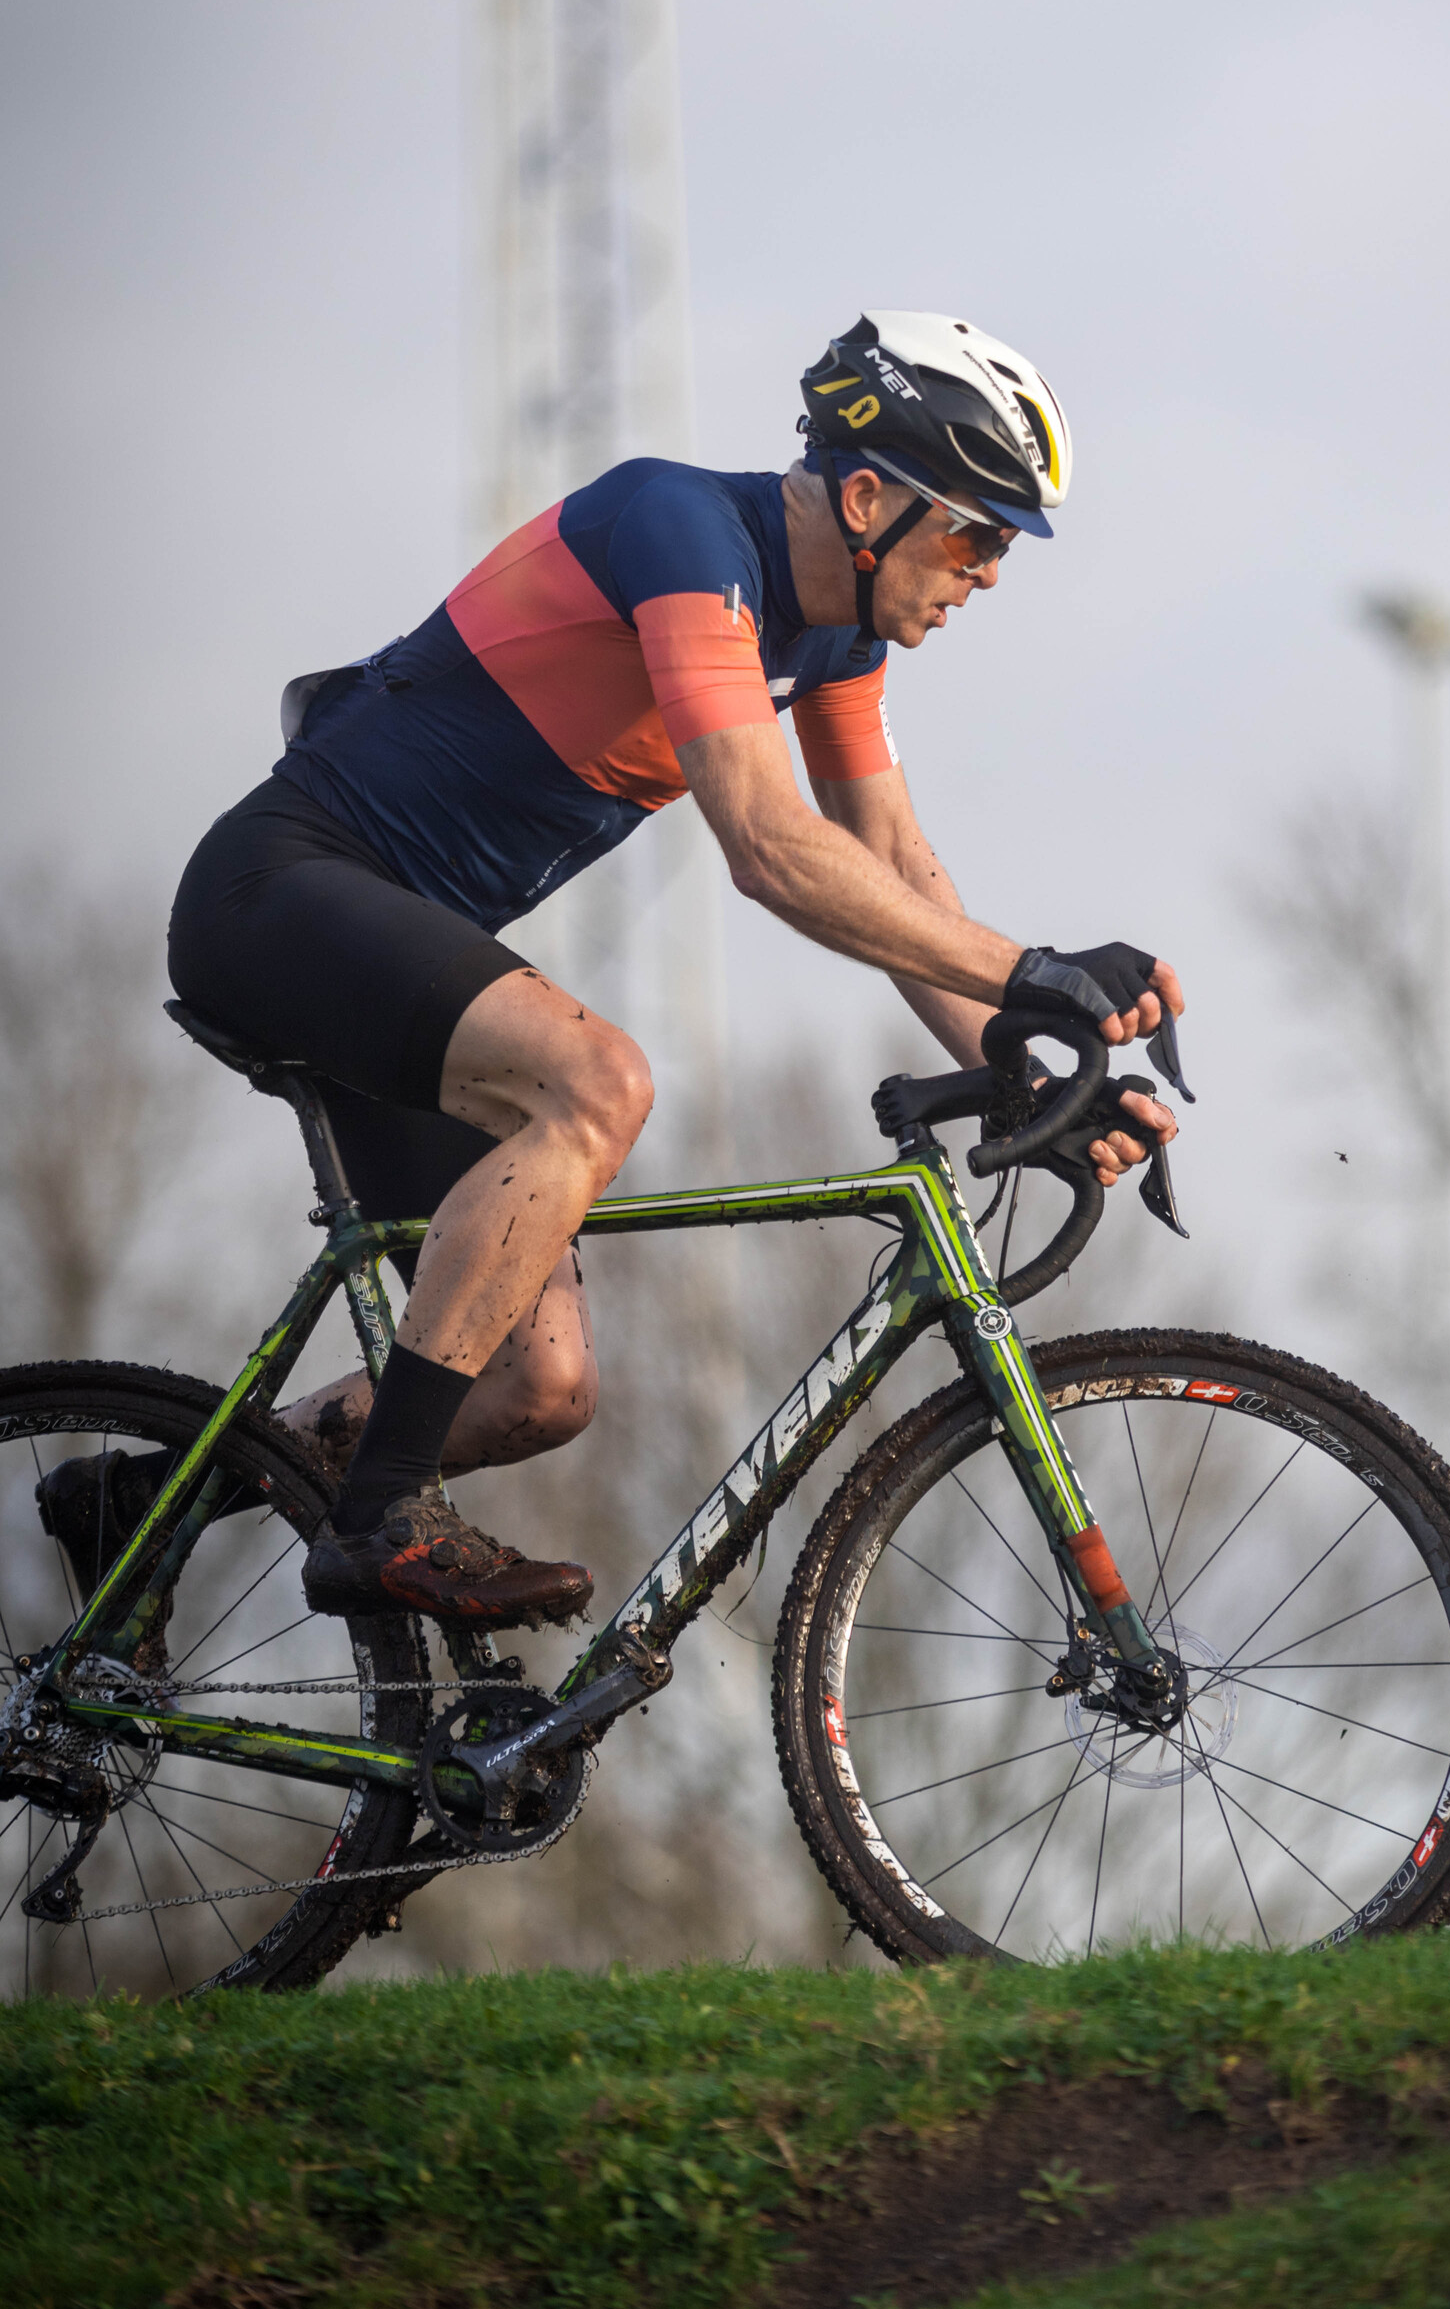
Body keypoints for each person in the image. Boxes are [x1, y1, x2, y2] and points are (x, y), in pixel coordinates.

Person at [39, 315, 1183, 1634]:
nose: (986, 573)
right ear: (870, 497)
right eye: (978, 534)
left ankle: (143, 1503)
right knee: (598, 1080)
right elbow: (767, 845)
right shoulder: (680, 532)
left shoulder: (838, 638)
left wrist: (1026, 1067)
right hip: (285, 892)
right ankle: (382, 1517)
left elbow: (897, 873)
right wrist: (1039, 971)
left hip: (409, 966)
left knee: (537, 1389)